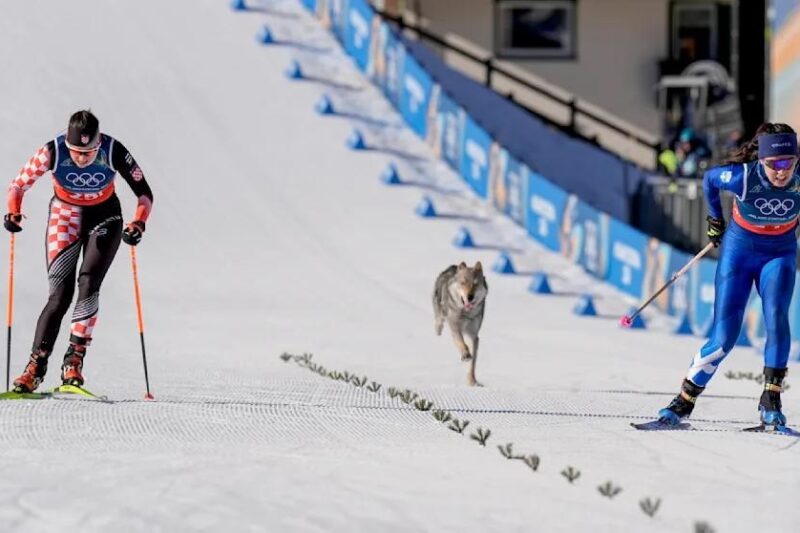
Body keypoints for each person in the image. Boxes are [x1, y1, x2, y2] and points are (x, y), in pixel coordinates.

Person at [658, 123, 799, 427]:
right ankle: (684, 400)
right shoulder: (743, 177)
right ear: (761, 160)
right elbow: (709, 180)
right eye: (774, 164)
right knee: (725, 336)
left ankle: (771, 400)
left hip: (779, 254)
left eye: (788, 163)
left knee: (776, 317)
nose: (781, 171)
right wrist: (714, 220)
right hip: (740, 252)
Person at [4, 110, 153, 392]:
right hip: (65, 216)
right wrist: (13, 212)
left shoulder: (113, 150)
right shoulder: (53, 150)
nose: (83, 158)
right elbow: (18, 184)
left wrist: (138, 223)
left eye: (89, 152)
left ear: (98, 144)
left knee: (89, 283)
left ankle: (73, 361)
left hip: (105, 216)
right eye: (77, 152)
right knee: (59, 296)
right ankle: (35, 367)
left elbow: (144, 193)